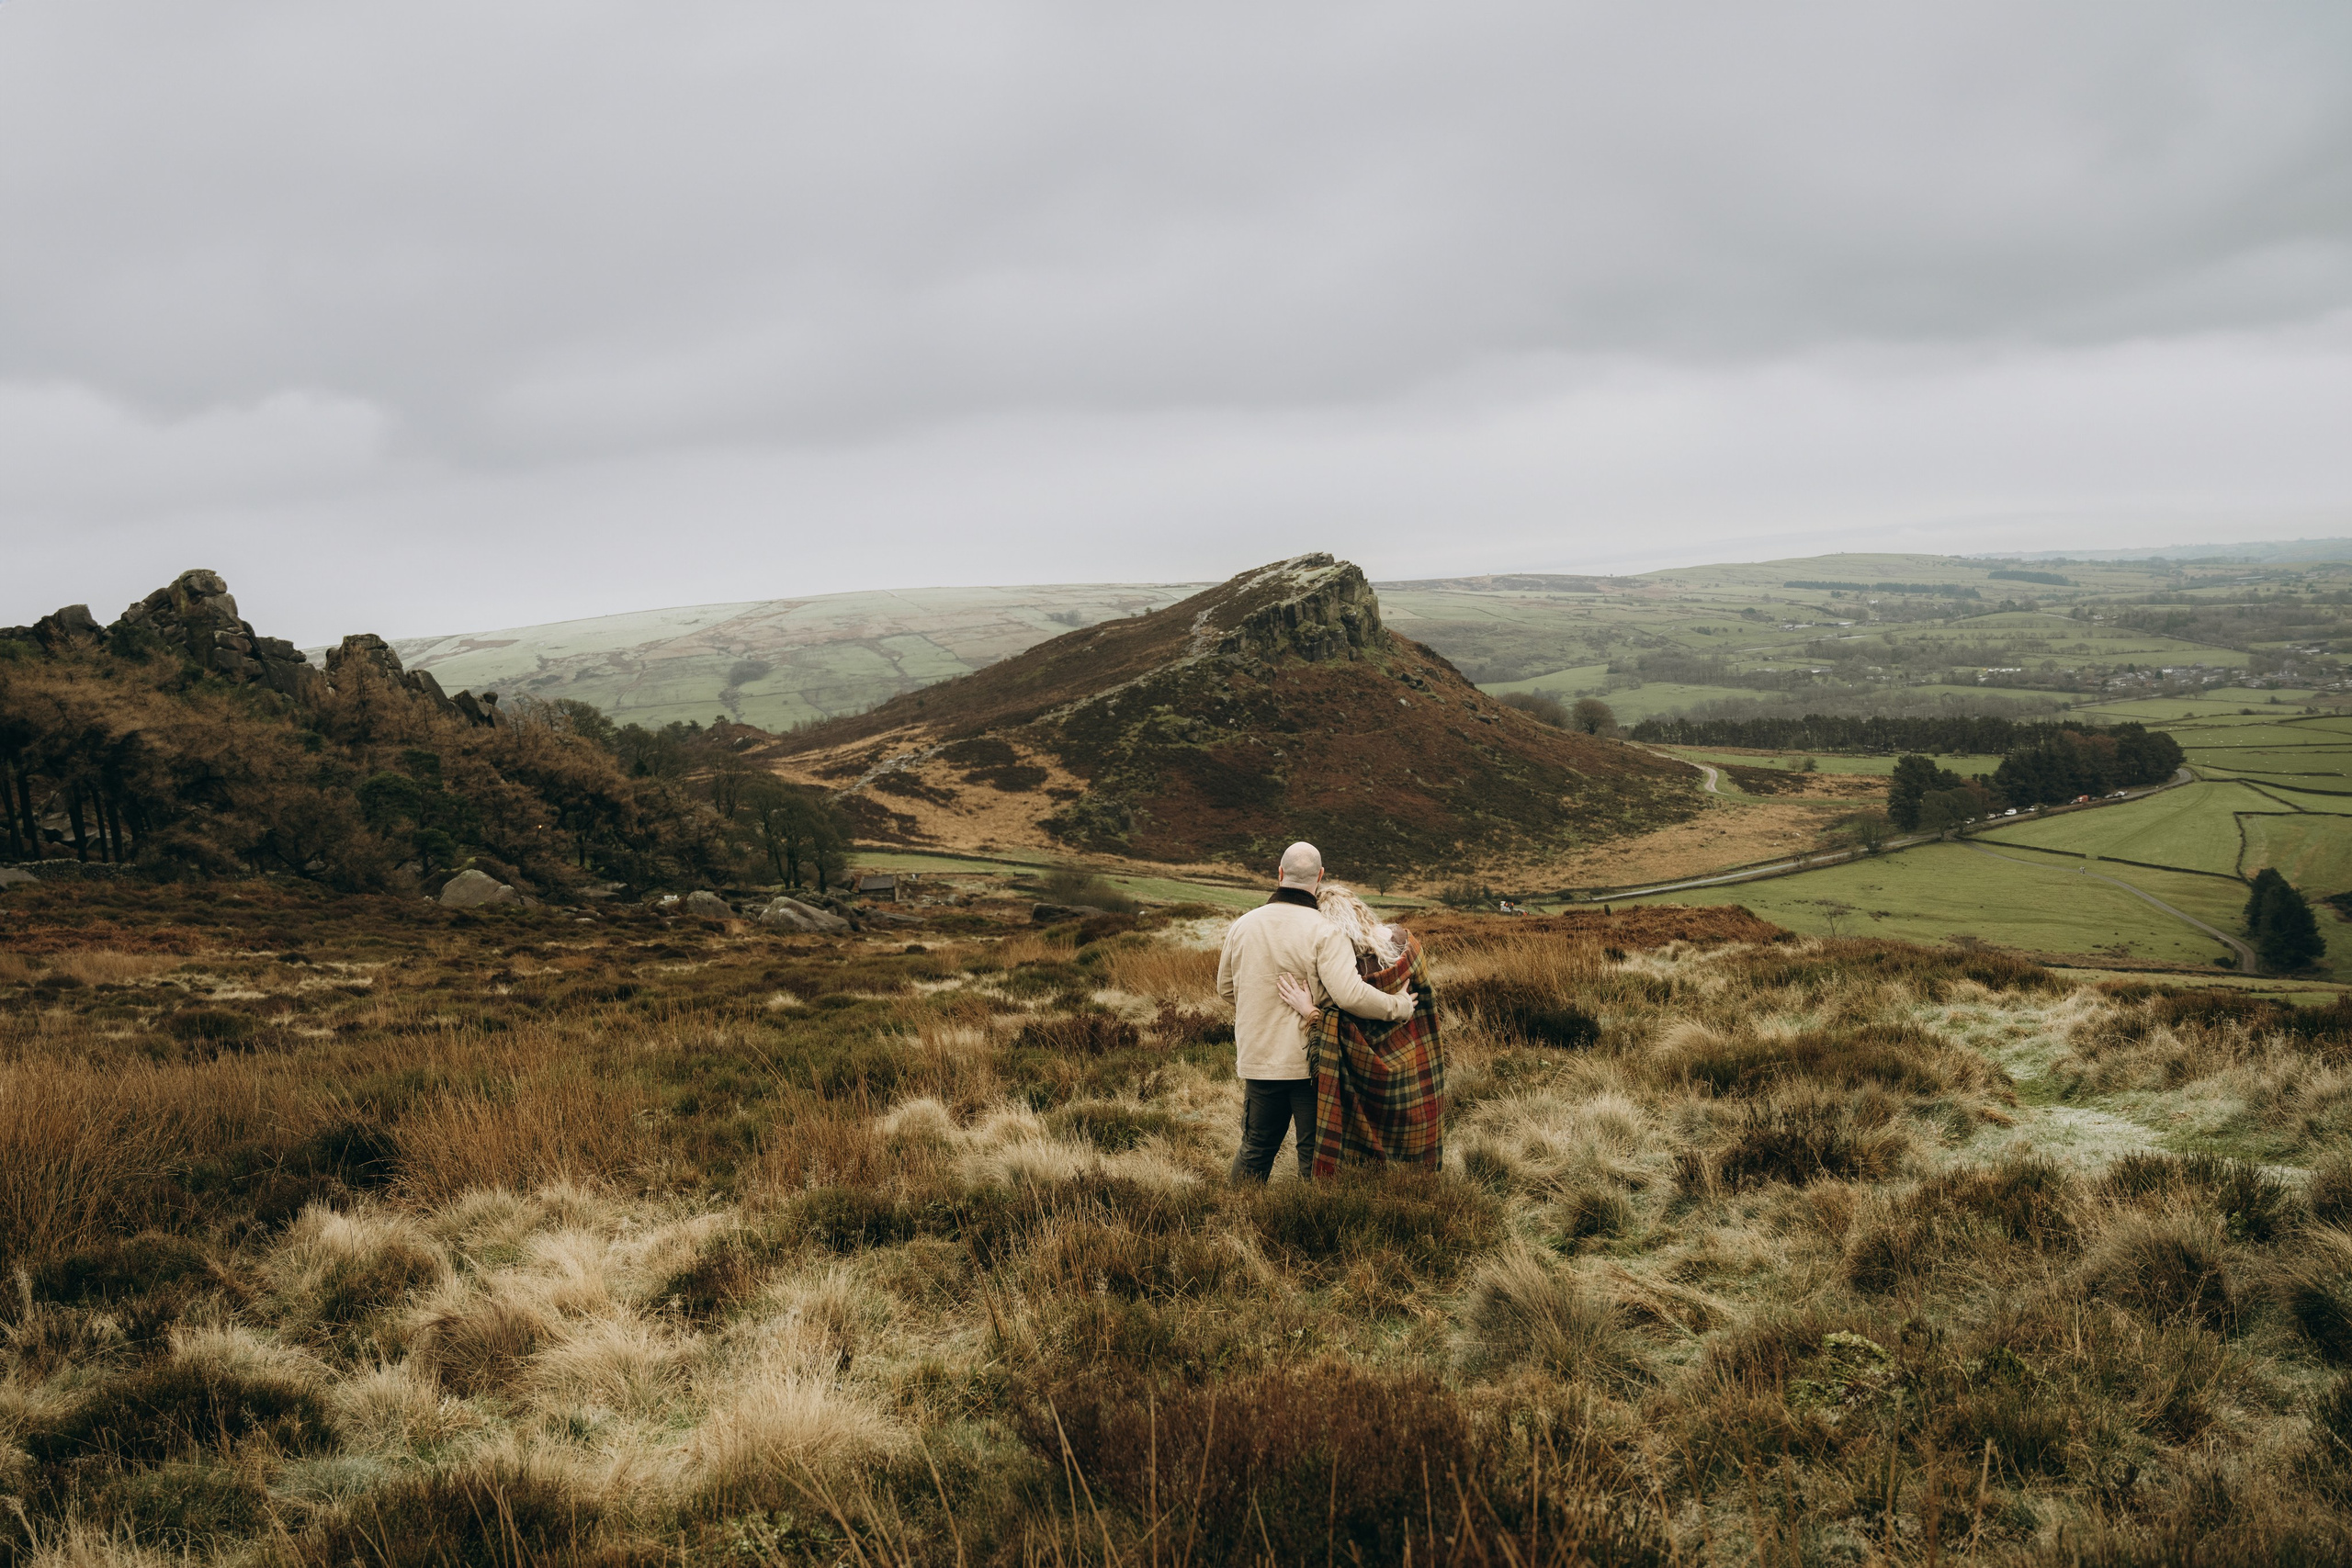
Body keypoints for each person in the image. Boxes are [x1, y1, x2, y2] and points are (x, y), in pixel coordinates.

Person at [1216, 841, 1418, 1183]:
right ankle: (1313, 1228)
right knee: (1315, 1157)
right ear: (1320, 876)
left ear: (1279, 874)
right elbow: (1351, 995)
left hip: (1258, 1058)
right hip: (1312, 1063)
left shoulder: (1243, 925)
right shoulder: (1325, 931)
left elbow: (1225, 989)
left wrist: (1265, 1004)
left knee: (1255, 1149)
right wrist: (1398, 1006)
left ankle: (1238, 1222)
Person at [1274, 882, 1443, 1175]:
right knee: (1411, 1132)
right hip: (1414, 1061)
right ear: (1359, 909)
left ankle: (1366, 1185)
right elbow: (1425, 1000)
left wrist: (1309, 1010)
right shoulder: (1406, 943)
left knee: (1366, 1145)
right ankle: (1417, 1186)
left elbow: (1335, 1033)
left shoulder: (1342, 971)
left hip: (1366, 1082)